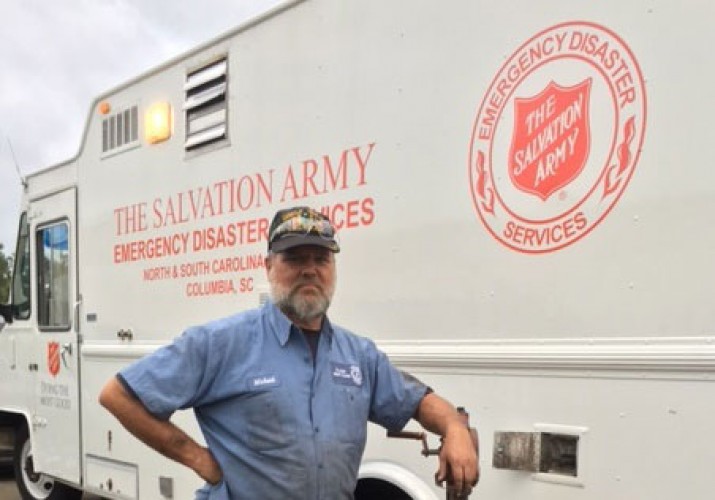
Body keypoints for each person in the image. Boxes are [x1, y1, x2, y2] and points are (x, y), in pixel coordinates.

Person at [99, 206, 480, 499]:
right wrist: (197, 457)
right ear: (268, 266)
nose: (309, 270)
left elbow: (417, 401)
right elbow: (118, 396)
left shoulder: (358, 355)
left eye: (321, 259)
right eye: (295, 258)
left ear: (333, 267)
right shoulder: (221, 342)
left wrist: (454, 429)